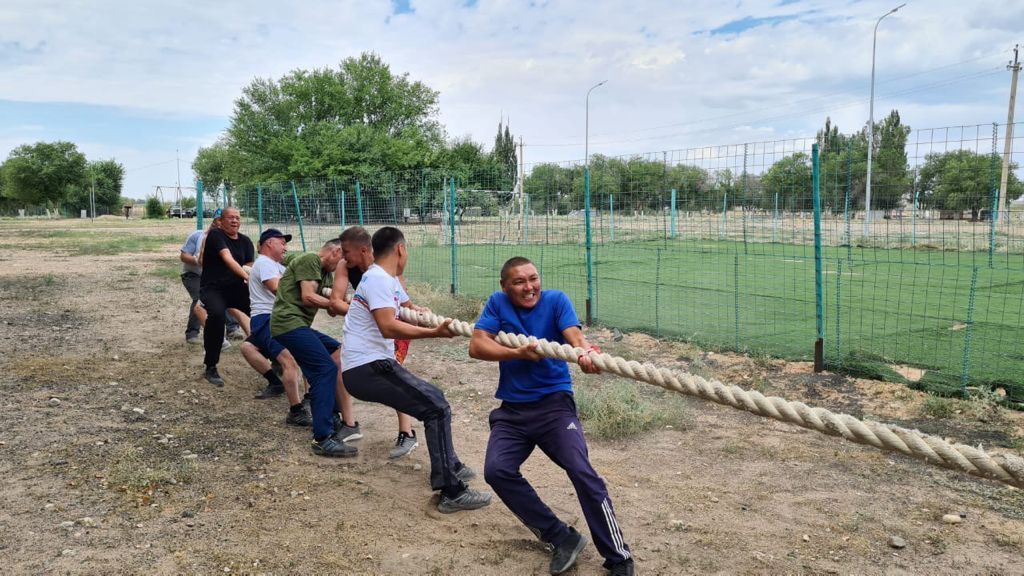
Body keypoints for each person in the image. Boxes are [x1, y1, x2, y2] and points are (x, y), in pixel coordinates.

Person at [469, 256, 634, 576]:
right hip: (512, 411)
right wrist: (517, 352)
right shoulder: (498, 303)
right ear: (504, 286)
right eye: (519, 282)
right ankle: (561, 537)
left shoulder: (556, 300)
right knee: (497, 470)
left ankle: (619, 557)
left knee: (581, 470)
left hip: (554, 406)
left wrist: (584, 352)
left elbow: (574, 336)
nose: (529, 287)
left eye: (533, 278)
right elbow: (477, 346)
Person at [341, 226, 491, 513]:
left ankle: (452, 466)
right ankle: (452, 492)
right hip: (367, 367)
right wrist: (435, 333)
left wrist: (421, 313)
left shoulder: (388, 280)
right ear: (400, 249)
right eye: (406, 250)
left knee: (435, 397)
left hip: (368, 366)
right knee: (435, 406)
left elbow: (405, 307)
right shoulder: (377, 279)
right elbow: (387, 326)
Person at [329, 225, 418, 459]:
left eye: (346, 251)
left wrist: (415, 312)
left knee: (395, 375)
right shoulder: (344, 266)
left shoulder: (386, 268)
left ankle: (407, 433)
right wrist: (363, 309)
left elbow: (404, 304)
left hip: (391, 328)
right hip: (369, 327)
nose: (342, 256)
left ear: (364, 250)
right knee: (339, 362)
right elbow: (335, 302)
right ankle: (349, 423)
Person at [271, 237, 360, 457]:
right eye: (344, 257)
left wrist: (342, 303)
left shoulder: (326, 273)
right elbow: (308, 296)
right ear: (335, 252)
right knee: (324, 369)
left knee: (336, 353)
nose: (345, 263)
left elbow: (331, 308)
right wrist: (349, 309)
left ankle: (332, 417)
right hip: (288, 323)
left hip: (299, 325)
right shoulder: (311, 259)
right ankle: (322, 437)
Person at [238, 228, 310, 427]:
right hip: (270, 319)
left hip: (271, 319)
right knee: (291, 361)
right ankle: (297, 410)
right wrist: (308, 294)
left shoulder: (276, 266)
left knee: (248, 347)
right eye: (282, 242)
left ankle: (281, 385)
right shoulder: (266, 263)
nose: (285, 247)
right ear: (269, 243)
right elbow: (277, 288)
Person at [198, 207, 254, 387]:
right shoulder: (216, 236)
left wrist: (252, 280)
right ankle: (211, 366)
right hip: (213, 288)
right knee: (216, 316)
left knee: (262, 313)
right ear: (221, 221)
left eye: (237, 218)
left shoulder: (245, 241)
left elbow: (248, 265)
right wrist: (248, 277)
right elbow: (228, 259)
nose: (235, 221)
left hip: (236, 288)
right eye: (230, 217)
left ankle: (275, 356)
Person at [179, 211, 242, 345]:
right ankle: (192, 333)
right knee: (200, 298)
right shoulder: (197, 236)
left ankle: (232, 329)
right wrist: (199, 261)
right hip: (193, 274)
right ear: (215, 222)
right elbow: (183, 257)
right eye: (221, 220)